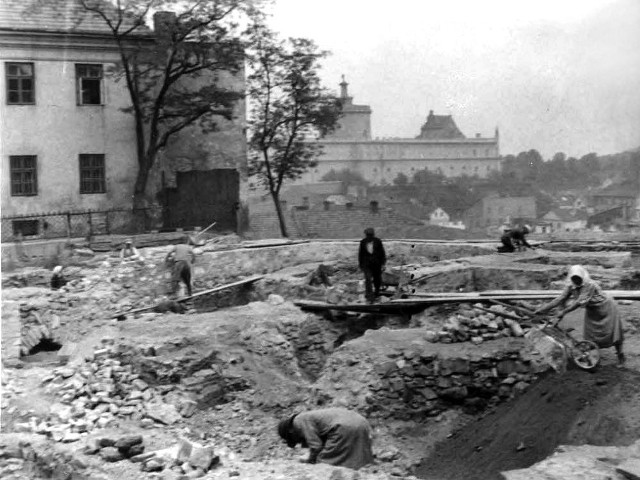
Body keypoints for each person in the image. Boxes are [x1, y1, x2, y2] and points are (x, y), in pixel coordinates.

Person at [534, 265, 625, 366]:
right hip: (592, 310)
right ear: (571, 278)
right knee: (592, 334)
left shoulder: (589, 284)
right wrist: (543, 309)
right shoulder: (570, 286)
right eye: (574, 278)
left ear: (583, 276)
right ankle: (592, 357)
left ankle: (620, 356)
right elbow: (560, 299)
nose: (576, 280)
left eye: (578, 278)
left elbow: (578, 302)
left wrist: (563, 312)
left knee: (613, 332)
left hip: (606, 308)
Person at [277, 408, 374, 470]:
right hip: (362, 422)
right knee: (359, 458)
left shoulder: (300, 421)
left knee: (323, 463)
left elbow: (316, 446)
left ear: (291, 431)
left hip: (344, 427)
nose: (297, 442)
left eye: (292, 439)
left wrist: (310, 460)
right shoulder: (309, 416)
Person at [358, 228, 386, 303]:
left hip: (377, 264)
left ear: (373, 235)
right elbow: (361, 254)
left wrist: (383, 263)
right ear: (366, 235)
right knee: (368, 279)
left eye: (370, 235)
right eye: (368, 235)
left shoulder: (378, 241)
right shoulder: (363, 242)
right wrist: (361, 265)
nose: (369, 237)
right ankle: (369, 295)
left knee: (377, 279)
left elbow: (382, 253)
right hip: (367, 264)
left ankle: (377, 292)